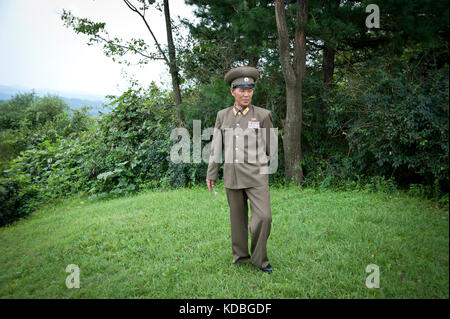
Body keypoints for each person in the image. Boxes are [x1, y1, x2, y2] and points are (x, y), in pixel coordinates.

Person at [206, 66, 275, 273]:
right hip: (232, 176)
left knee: (264, 217)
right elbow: (216, 146)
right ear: (232, 91)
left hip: (256, 177)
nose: (246, 94)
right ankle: (241, 257)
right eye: (242, 89)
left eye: (250, 89)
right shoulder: (222, 116)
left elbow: (271, 147)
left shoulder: (262, 115)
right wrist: (212, 172)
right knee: (237, 221)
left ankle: (259, 259)